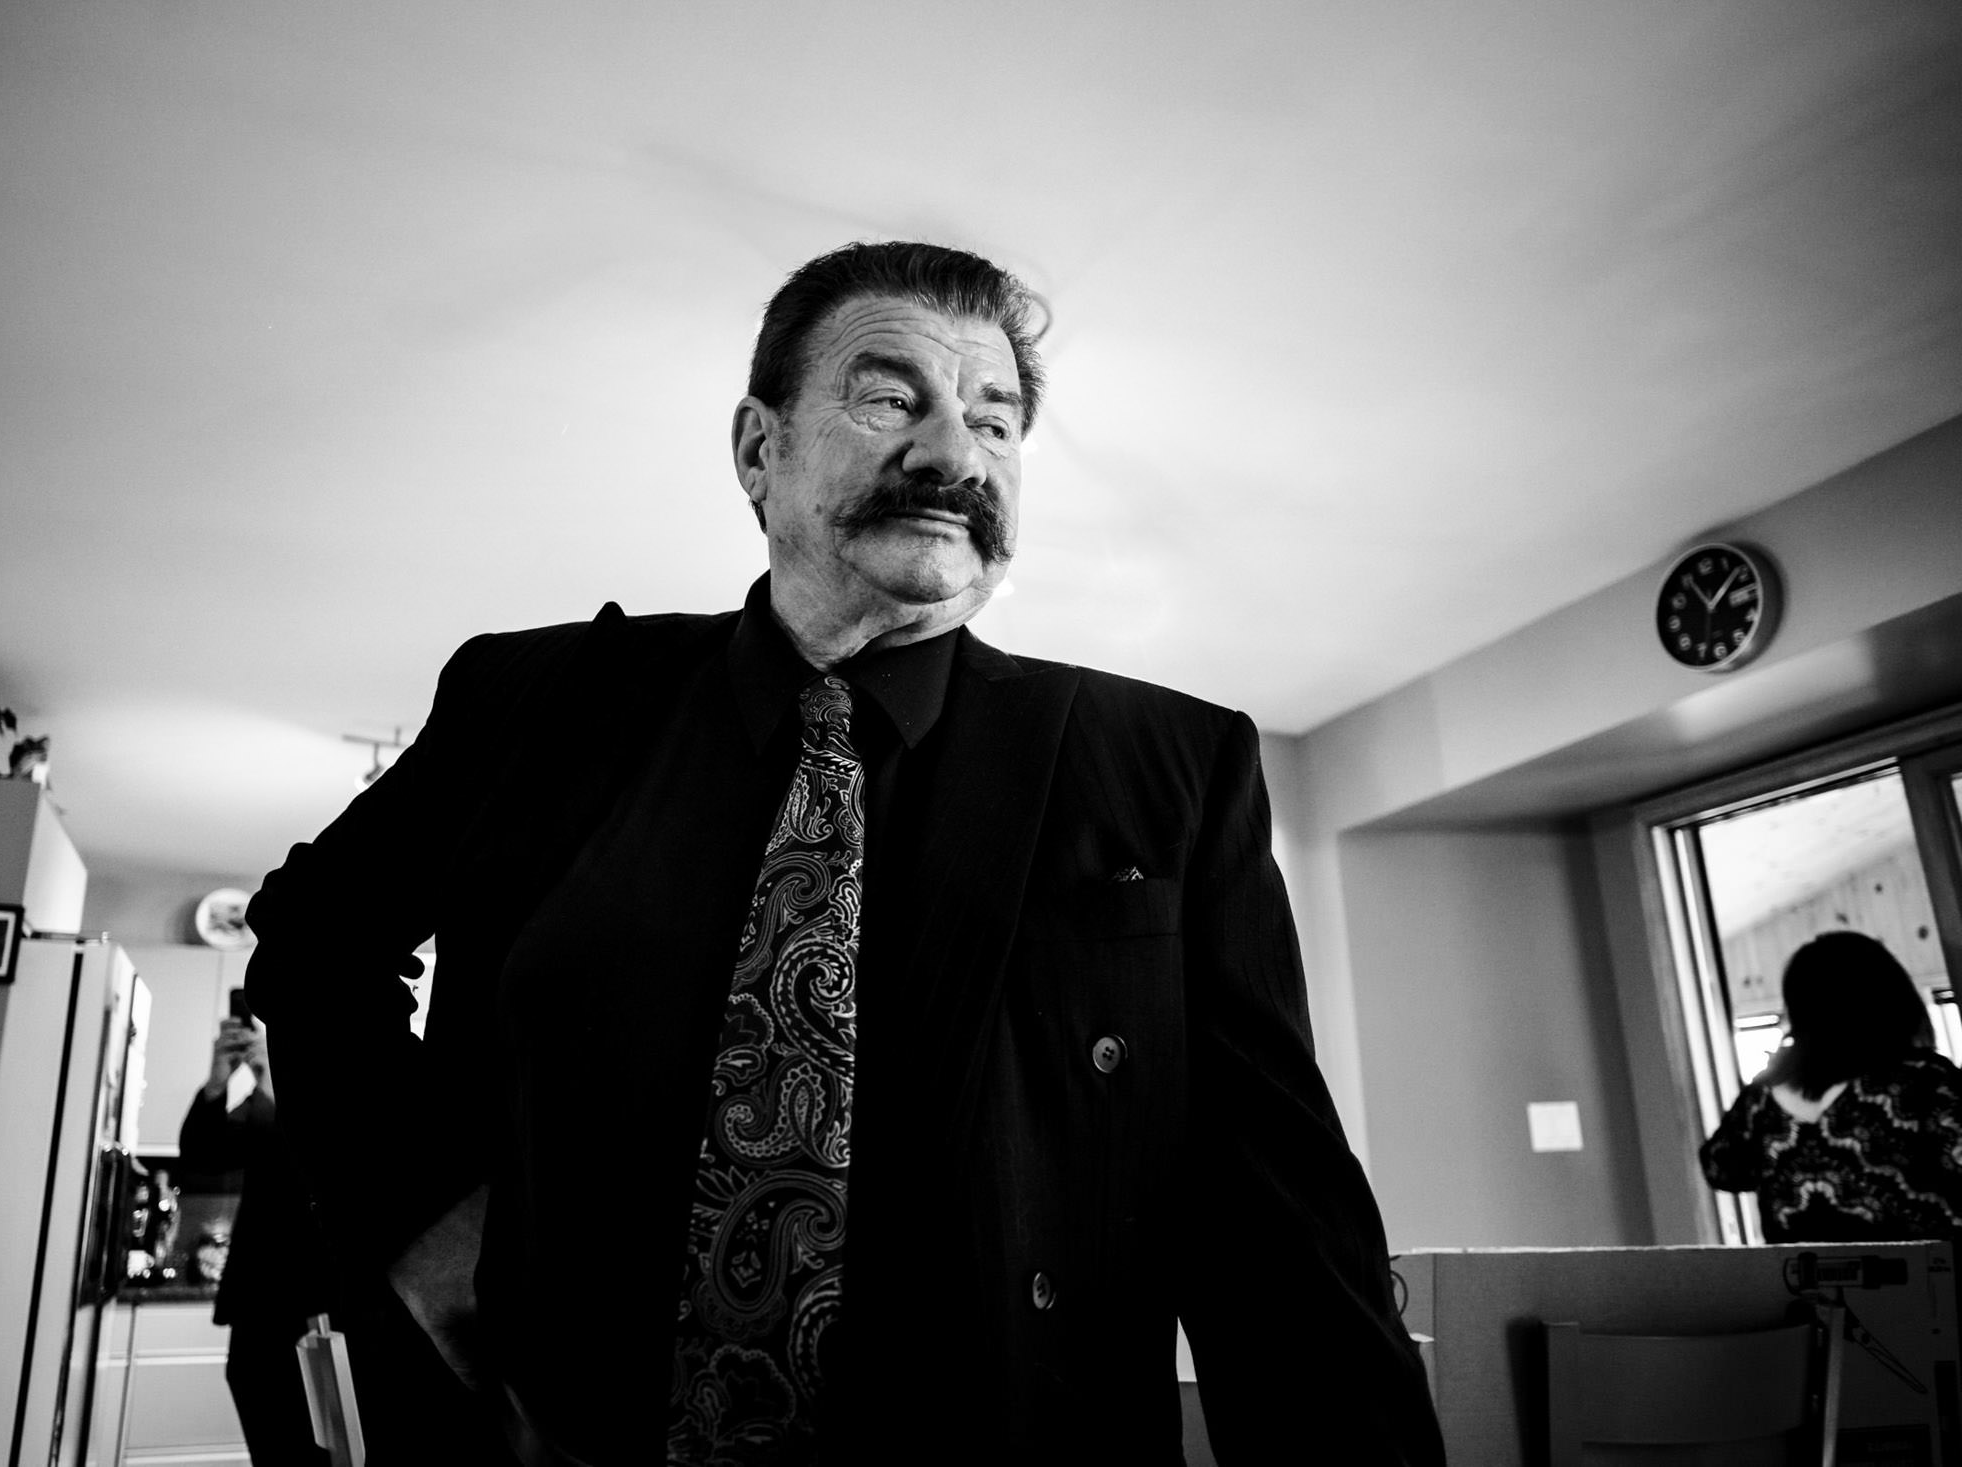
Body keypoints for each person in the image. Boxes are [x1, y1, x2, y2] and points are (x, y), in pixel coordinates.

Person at [246, 241, 1443, 1465]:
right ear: (757, 450)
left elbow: (1278, 1230)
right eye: (889, 399)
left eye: (995, 421)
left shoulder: (1168, 767)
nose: (954, 455)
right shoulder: (539, 702)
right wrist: (423, 1224)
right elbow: (311, 939)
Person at [1702, 930, 1962, 1243]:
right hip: (1923, 1273)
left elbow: (1721, 1170)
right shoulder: (1923, 1078)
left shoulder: (1763, 1095)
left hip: (1799, 1273)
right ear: (1890, 998)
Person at [177, 1004, 336, 1467]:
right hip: (259, 1321)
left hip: (326, 1312)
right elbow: (202, 1156)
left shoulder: (342, 1094)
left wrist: (279, 1085)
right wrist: (216, 1083)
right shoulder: (260, 1108)